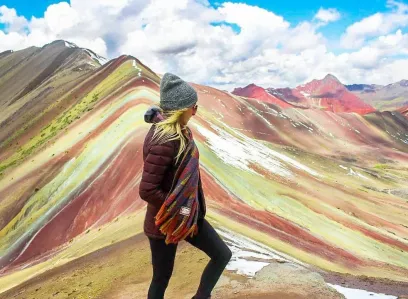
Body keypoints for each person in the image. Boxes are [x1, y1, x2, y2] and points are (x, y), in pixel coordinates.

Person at [139, 73, 232, 299]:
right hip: (166, 221)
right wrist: (181, 209)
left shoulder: (179, 133)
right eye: (194, 107)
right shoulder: (165, 140)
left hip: (188, 215)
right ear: (182, 109)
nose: (195, 111)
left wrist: (188, 211)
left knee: (222, 254)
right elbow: (147, 190)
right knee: (161, 278)